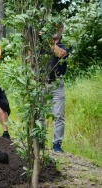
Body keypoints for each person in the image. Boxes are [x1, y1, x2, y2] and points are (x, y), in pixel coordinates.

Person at [40, 24, 71, 153]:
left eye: (58, 28)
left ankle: (57, 145)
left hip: (57, 84)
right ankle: (40, 142)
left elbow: (60, 54)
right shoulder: (41, 45)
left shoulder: (65, 45)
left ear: (62, 30)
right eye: (53, 27)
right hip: (41, 83)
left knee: (58, 115)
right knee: (39, 114)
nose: (56, 30)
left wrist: (46, 40)